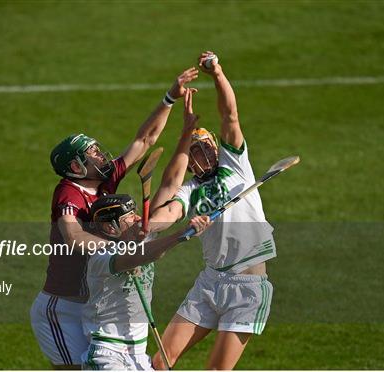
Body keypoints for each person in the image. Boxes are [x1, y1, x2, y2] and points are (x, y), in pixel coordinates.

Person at [30, 67, 199, 369]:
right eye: (91, 153)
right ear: (76, 166)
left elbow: (145, 140)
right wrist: (117, 250)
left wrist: (170, 97)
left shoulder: (104, 182)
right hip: (63, 306)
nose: (101, 155)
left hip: (92, 303)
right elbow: (73, 237)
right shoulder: (68, 193)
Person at [149, 52, 276, 370]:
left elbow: (229, 116)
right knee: (159, 363)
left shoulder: (236, 164)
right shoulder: (189, 190)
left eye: (205, 146)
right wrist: (149, 224)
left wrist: (217, 74)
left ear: (216, 148)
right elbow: (169, 213)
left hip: (248, 286)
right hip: (210, 283)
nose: (201, 154)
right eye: (193, 151)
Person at [81, 194, 211, 370]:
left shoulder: (141, 238)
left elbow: (170, 196)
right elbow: (143, 254)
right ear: (110, 227)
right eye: (130, 216)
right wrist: (181, 235)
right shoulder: (101, 256)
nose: (139, 218)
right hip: (108, 355)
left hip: (139, 355)